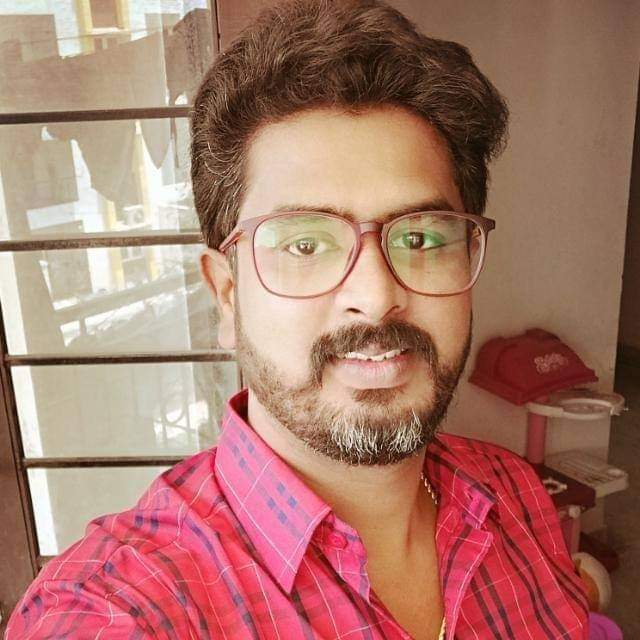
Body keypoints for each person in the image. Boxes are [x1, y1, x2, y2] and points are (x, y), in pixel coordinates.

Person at [7, 1, 590, 638]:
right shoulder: (122, 608)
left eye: (420, 238)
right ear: (227, 294)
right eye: (305, 245)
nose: (376, 296)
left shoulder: (514, 494)